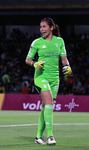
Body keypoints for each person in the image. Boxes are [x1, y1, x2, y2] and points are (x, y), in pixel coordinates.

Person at [25, 17, 72, 145]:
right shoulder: (37, 42)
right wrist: (35, 64)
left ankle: (38, 137)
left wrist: (67, 67)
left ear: (51, 28)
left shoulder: (59, 41)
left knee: (46, 106)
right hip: (40, 77)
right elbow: (28, 60)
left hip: (55, 78)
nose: (42, 29)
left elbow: (64, 59)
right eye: (40, 27)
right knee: (49, 102)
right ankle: (50, 136)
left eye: (44, 26)